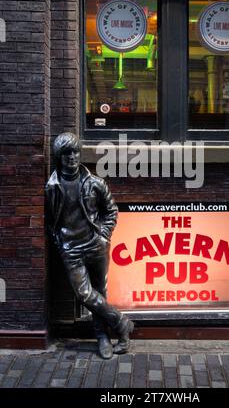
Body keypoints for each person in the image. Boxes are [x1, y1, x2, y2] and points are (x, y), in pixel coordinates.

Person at [45, 132, 134, 359]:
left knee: (99, 293)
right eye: (67, 153)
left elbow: (111, 211)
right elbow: (50, 221)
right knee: (85, 294)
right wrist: (60, 243)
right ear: (59, 157)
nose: (72, 157)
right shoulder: (52, 187)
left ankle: (103, 338)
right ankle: (122, 323)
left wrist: (103, 236)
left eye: (75, 152)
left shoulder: (95, 183)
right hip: (71, 250)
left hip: (96, 246)